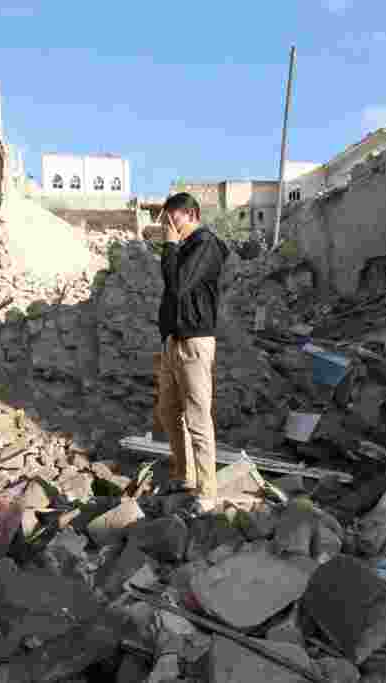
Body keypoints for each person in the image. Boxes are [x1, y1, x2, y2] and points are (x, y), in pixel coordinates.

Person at [156, 192, 230, 515]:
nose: (168, 225)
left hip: (196, 342)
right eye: (167, 219)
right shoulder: (184, 249)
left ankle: (207, 492)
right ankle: (184, 476)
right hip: (174, 341)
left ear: (191, 214)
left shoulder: (206, 245)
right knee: (168, 411)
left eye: (173, 218)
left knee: (198, 418)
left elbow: (179, 284)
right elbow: (172, 291)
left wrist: (170, 245)